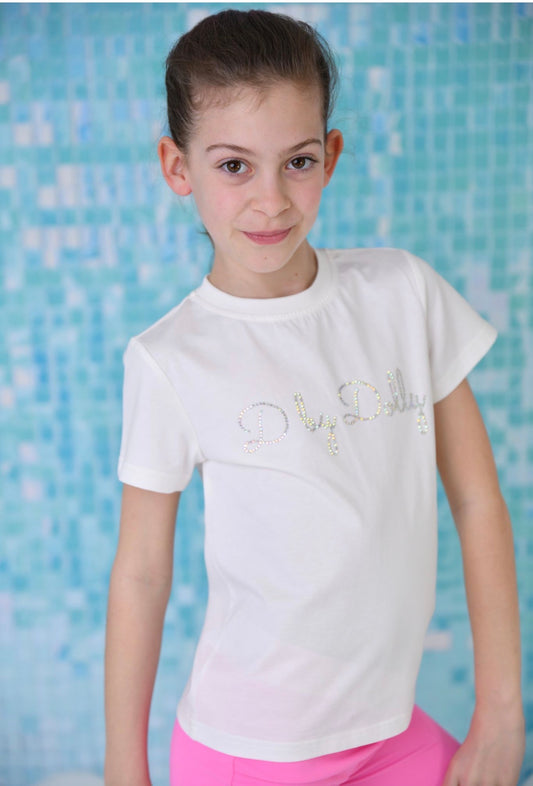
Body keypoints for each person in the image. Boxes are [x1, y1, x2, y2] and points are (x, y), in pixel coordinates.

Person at [104, 9, 525, 786]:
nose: (270, 201)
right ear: (177, 166)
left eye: (295, 162)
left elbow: (475, 501)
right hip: (247, 753)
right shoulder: (170, 359)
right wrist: (122, 772)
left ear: (329, 156)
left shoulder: (403, 294)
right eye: (233, 166)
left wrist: (501, 710)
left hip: (392, 733)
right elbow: (140, 574)